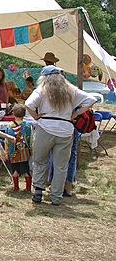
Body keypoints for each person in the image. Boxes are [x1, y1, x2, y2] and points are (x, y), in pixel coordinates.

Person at [25, 65, 96, 205]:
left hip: (45, 127)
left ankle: (38, 191)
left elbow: (28, 104)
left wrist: (36, 116)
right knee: (61, 166)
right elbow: (91, 100)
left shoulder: (42, 90)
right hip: (65, 130)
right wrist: (75, 113)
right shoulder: (71, 90)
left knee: (40, 160)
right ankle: (56, 196)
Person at [3, 104, 33, 192]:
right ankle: (28, 188)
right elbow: (31, 139)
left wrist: (7, 151)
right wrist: (31, 150)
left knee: (15, 170)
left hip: (13, 151)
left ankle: (16, 187)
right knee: (26, 170)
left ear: (13, 113)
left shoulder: (9, 126)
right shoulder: (28, 125)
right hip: (24, 151)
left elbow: (7, 141)